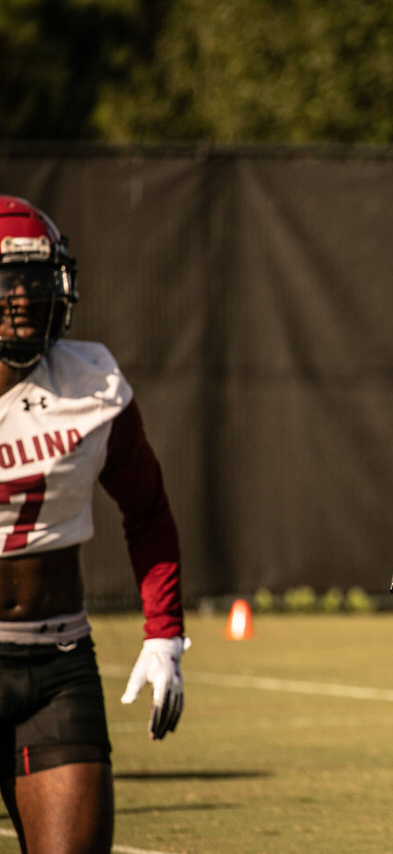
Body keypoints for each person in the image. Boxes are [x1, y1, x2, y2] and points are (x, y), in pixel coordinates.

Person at [0, 196, 188, 853]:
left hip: (55, 662)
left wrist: (165, 633)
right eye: (9, 282)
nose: (26, 298)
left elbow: (147, 510)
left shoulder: (92, 383)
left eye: (38, 280)